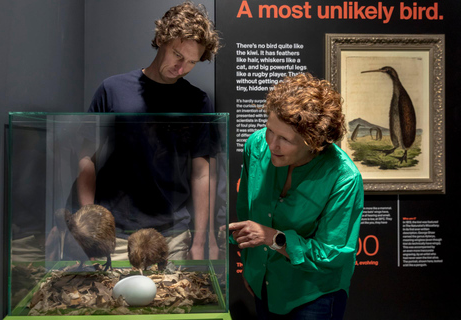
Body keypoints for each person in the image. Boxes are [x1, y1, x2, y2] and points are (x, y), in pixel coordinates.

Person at [72, 1, 221, 262]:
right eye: (177, 55)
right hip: (115, 235)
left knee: (173, 303)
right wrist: (90, 227)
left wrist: (202, 241)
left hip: (172, 235)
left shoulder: (197, 102)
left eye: (191, 62)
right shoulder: (113, 90)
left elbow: (202, 173)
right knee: (112, 302)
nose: (181, 67)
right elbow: (87, 158)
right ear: (162, 39)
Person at [228, 73, 364, 319]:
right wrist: (253, 269)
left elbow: (332, 254)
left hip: (313, 294)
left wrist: (273, 238)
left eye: (285, 140)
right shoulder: (255, 146)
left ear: (314, 142)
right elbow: (247, 213)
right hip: (264, 283)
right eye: (270, 130)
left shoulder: (343, 178)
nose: (271, 145)